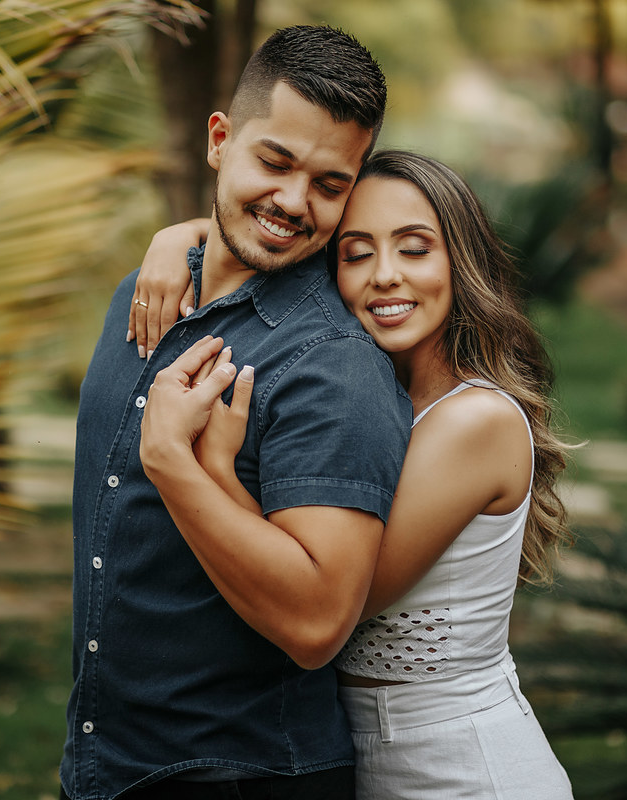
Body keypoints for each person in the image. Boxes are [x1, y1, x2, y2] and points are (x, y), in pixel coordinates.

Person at [137, 150, 576, 799]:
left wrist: (207, 468)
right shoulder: (383, 401)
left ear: (461, 263)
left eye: (415, 248)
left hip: (466, 773)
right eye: (357, 252)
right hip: (372, 765)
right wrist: (179, 239)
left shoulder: (473, 420)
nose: (385, 277)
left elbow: (318, 603)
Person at [61, 25, 413, 800]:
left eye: (330, 183)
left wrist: (173, 463)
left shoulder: (335, 367)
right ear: (220, 139)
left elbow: (320, 623)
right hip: (107, 764)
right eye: (275, 162)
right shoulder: (141, 295)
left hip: (241, 770)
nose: (293, 201)